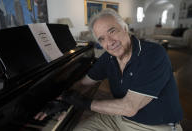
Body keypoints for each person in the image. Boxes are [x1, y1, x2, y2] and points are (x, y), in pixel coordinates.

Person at [35, 9, 183, 131]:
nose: (110, 42)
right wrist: (61, 101)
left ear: (125, 28)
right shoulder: (109, 58)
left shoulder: (153, 54)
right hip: (119, 118)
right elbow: (84, 83)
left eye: (112, 31)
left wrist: (80, 101)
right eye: (102, 39)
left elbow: (129, 107)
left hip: (154, 126)